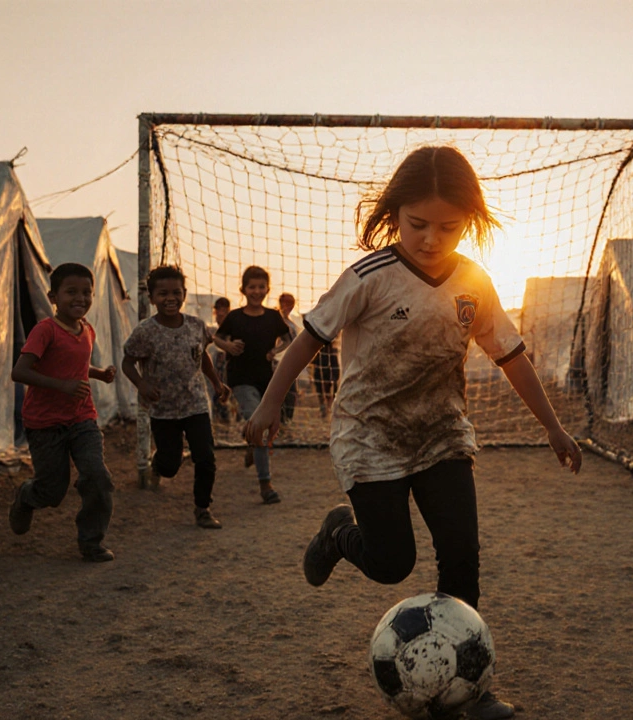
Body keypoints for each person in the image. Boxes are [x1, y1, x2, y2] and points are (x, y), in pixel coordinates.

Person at [243, 145, 583, 720]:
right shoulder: (368, 277)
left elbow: (512, 355)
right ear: (395, 214)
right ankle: (337, 535)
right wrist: (271, 403)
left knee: (462, 555)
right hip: (369, 436)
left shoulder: (474, 281)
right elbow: (307, 340)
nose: (431, 238)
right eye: (417, 224)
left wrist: (553, 426)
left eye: (448, 226)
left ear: (468, 220)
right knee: (390, 563)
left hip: (442, 435)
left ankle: (467, 690)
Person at [8, 262, 118, 562]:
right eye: (71, 292)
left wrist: (97, 374)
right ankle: (26, 497)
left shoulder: (87, 330)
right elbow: (20, 372)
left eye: (87, 292)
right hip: (45, 424)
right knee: (52, 492)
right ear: (53, 296)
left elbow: (75, 366)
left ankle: (91, 541)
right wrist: (62, 386)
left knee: (97, 477)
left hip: (82, 418)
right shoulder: (45, 330)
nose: (80, 298)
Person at [122, 265, 231, 529]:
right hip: (163, 409)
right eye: (162, 294)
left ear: (184, 294)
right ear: (151, 298)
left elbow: (202, 355)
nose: (170, 298)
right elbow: (128, 362)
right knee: (170, 465)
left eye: (176, 292)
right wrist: (141, 384)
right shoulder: (145, 331)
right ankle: (159, 464)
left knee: (205, 457)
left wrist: (217, 383)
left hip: (195, 404)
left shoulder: (196, 325)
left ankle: (202, 508)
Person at [214, 266, 293, 504]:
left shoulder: (273, 316)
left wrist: (275, 351)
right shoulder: (235, 317)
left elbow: (289, 338)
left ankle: (250, 441)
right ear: (243, 289)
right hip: (240, 380)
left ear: (267, 289)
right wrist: (227, 347)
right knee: (259, 425)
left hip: (266, 379)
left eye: (261, 287)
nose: (256, 291)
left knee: (262, 425)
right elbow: (216, 337)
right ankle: (266, 484)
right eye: (252, 287)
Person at [208, 297, 233, 425]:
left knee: (227, 393)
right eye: (219, 310)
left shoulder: (233, 329)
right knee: (216, 391)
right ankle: (220, 421)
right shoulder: (212, 329)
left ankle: (227, 421)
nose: (221, 313)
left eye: (224, 310)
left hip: (228, 364)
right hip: (215, 365)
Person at [277, 292, 300, 424]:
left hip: (290, 364)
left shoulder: (292, 324)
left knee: (291, 394)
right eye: (286, 303)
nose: (288, 306)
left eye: (291, 304)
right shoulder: (276, 321)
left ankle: (287, 421)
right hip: (277, 362)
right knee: (279, 394)